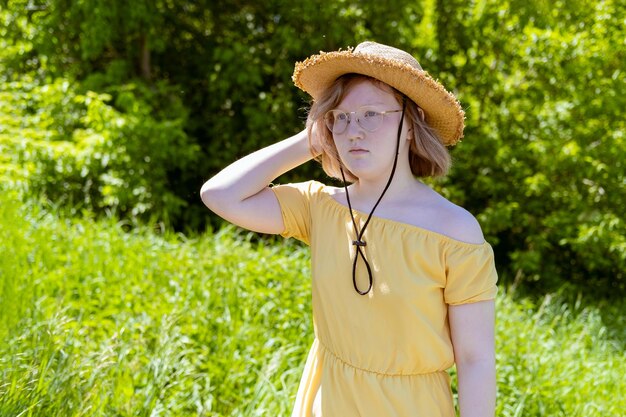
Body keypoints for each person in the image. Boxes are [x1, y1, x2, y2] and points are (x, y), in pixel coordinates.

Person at [200, 41, 497, 417]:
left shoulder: (454, 231)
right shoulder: (319, 206)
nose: (353, 131)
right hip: (328, 400)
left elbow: (476, 359)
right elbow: (220, 195)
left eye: (371, 114)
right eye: (340, 117)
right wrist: (310, 142)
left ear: (410, 124)